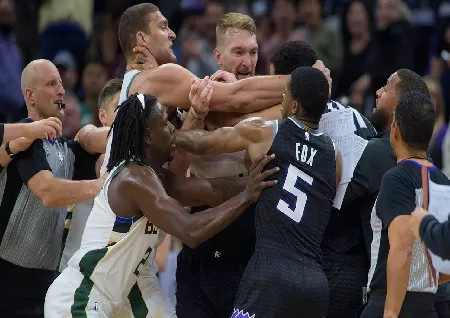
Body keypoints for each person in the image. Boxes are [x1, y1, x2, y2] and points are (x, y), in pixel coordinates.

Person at [44, 93, 279, 317]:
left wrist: (266, 180)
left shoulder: (158, 179)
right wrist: (246, 196)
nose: (172, 131)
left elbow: (214, 190)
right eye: (165, 124)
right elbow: (190, 231)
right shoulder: (133, 178)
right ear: (148, 136)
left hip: (129, 292)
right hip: (84, 294)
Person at [178, 66, 340, 317]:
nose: (282, 100)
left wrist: (166, 134)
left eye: (285, 95)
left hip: (270, 270)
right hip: (315, 282)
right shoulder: (334, 155)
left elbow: (201, 143)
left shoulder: (266, 131)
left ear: (295, 106)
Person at [0, 59, 107, 317]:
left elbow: (95, 142)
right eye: (51, 84)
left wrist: (118, 129)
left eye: (61, 82)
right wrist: (101, 186)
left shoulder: (63, 150)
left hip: (45, 281)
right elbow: (48, 192)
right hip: (7, 281)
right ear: (30, 95)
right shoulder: (24, 141)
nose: (61, 90)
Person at [175, 12, 261, 318]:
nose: (247, 62)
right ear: (218, 56)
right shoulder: (195, 96)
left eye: (252, 52)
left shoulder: (268, 102)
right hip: (205, 233)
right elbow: (176, 166)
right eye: (238, 52)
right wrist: (198, 113)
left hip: (251, 240)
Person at [328, 69, 430, 318]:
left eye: (386, 88)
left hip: (390, 293)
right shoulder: (434, 169)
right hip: (431, 294)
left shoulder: (379, 151)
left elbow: (330, 198)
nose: (378, 92)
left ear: (399, 109)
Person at [362, 92, 450, 318]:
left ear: (396, 129)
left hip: (391, 302)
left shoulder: (395, 177)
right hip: (427, 305)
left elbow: (403, 246)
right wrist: (428, 280)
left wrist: (390, 313)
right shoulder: (444, 183)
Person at [59, 78, 123, 272]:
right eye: (121, 107)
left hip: (115, 281)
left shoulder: (147, 160)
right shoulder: (87, 138)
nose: (130, 115)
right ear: (102, 116)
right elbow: (90, 137)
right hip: (71, 274)